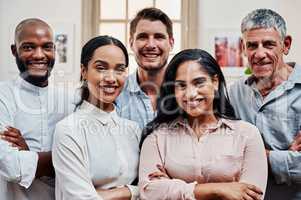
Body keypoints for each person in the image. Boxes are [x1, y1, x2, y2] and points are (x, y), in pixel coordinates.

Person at [139, 49, 267, 200]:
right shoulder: (157, 137)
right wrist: (218, 189)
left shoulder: (247, 134)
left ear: (215, 82)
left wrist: (172, 187)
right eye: (181, 85)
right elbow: (149, 192)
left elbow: (252, 196)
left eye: (198, 82)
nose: (190, 94)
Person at [52, 35, 141, 200]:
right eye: (101, 68)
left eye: (119, 69)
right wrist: (134, 192)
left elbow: (150, 188)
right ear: (84, 71)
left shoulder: (133, 129)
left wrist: (121, 192)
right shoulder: (68, 130)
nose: (111, 78)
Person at [228, 8, 301, 200]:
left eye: (268, 44)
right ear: (244, 49)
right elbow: (222, 153)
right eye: (252, 46)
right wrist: (284, 156)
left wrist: (256, 155)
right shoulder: (234, 93)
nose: (259, 54)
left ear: (285, 45)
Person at [0, 18, 74, 200]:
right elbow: (10, 165)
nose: (39, 55)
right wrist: (67, 159)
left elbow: (89, 163)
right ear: (14, 50)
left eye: (47, 47)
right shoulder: (3, 94)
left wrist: (29, 154)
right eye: (28, 47)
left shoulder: (71, 100)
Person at [116, 7, 174, 129]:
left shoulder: (185, 93)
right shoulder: (116, 93)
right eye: (143, 37)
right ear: (131, 43)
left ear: (171, 43)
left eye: (159, 37)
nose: (151, 45)